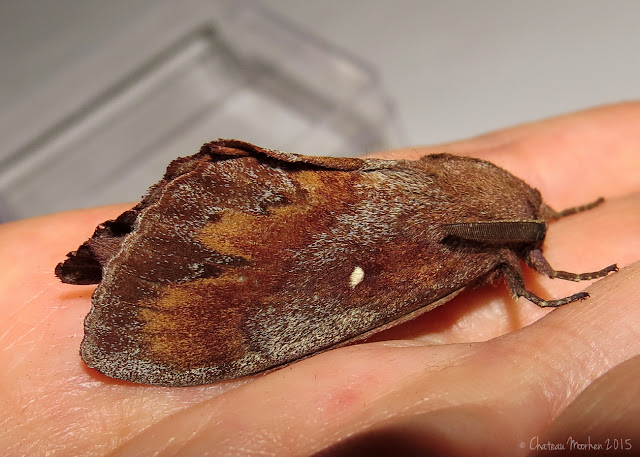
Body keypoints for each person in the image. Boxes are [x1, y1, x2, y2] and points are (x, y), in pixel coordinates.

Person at [1, 102, 638, 456]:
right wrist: (543, 280)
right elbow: (510, 253)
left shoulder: (489, 205)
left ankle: (164, 243)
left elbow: (511, 238)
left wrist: (536, 260)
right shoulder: (487, 243)